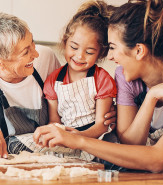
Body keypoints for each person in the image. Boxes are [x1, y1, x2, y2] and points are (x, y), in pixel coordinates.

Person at [33, 0, 163, 172]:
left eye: (112, 48)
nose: (109, 56)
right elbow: (131, 144)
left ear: (139, 51)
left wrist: (77, 140)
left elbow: (157, 160)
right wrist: (151, 97)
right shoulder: (124, 76)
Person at [0, 12, 116, 158]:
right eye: (26, 52)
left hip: (51, 160)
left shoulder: (45, 57)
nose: (36, 53)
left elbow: (68, 104)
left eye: (33, 43)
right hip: (8, 168)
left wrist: (103, 115)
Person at [11, 0, 117, 162]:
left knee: (110, 159)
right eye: (74, 47)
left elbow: (102, 125)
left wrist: (77, 137)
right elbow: (54, 122)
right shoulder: (53, 80)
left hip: (94, 139)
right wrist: (58, 135)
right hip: (66, 138)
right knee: (13, 143)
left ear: (101, 53)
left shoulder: (102, 79)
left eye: (89, 52)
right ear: (65, 42)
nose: (79, 56)